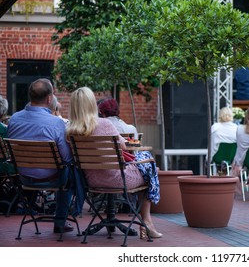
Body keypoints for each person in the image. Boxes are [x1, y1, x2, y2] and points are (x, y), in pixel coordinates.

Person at [66, 87, 162, 239]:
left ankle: (146, 222)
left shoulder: (69, 132)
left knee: (148, 167)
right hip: (118, 179)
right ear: (92, 105)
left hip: (92, 181)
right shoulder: (104, 124)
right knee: (149, 165)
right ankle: (147, 222)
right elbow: (126, 145)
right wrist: (138, 142)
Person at [7, 78, 74, 233]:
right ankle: (60, 221)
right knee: (72, 171)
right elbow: (67, 158)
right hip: (52, 179)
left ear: (30, 96)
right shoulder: (56, 123)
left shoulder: (14, 119)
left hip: (23, 177)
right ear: (50, 98)